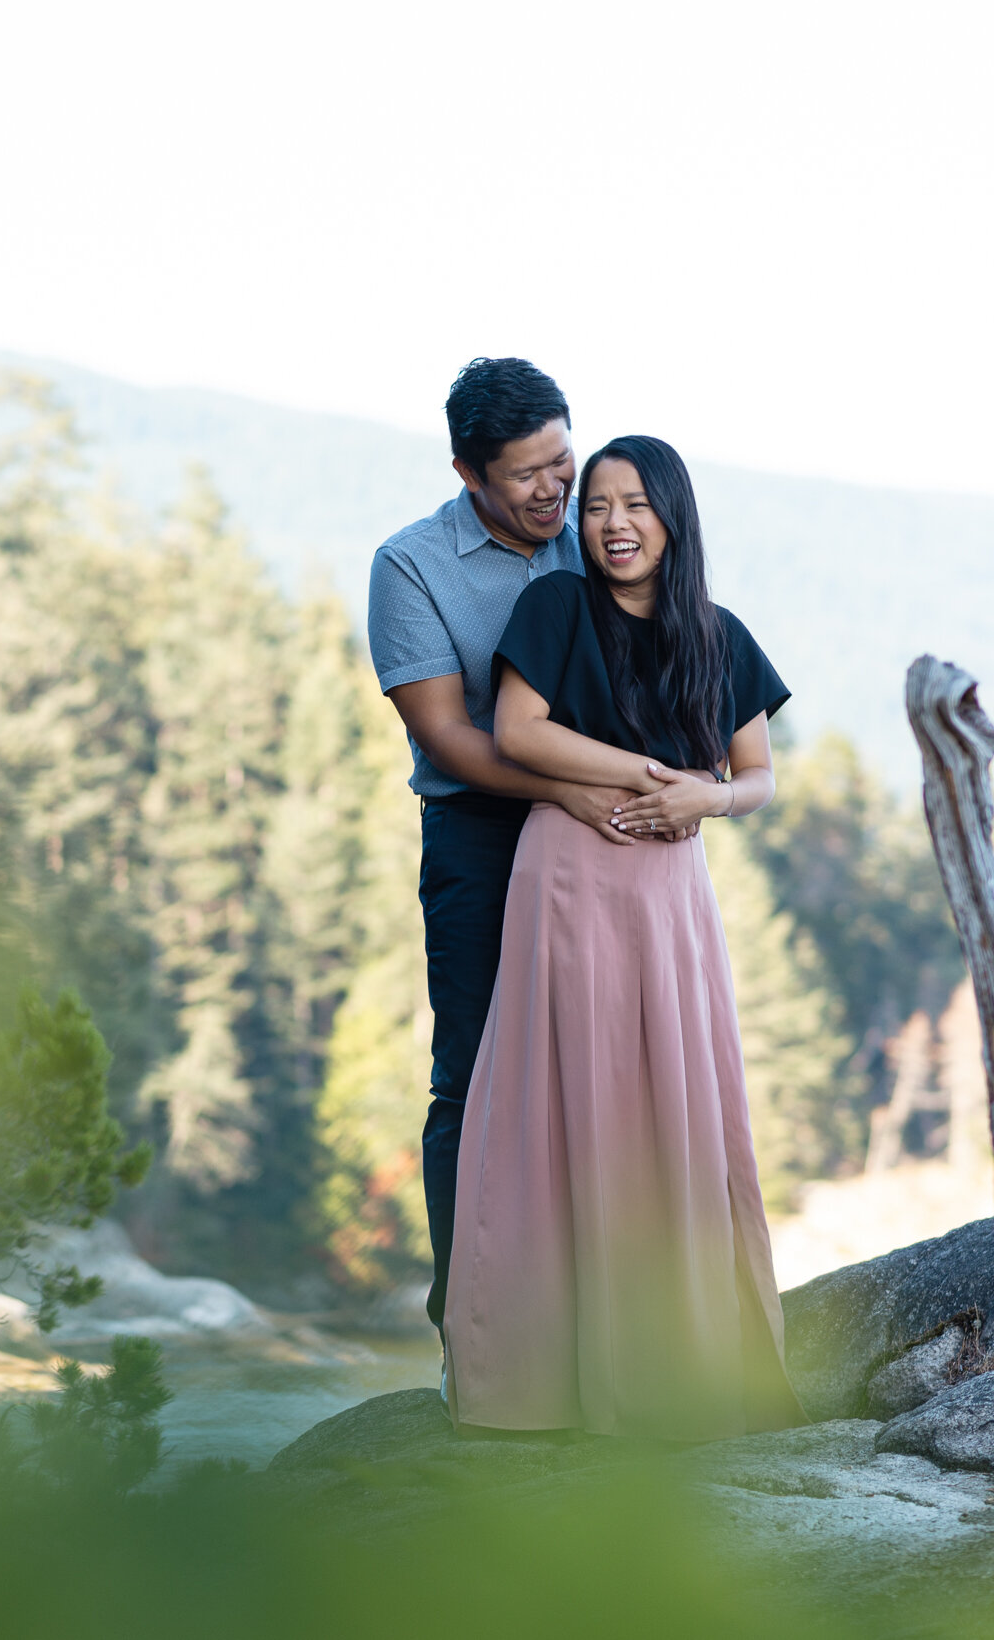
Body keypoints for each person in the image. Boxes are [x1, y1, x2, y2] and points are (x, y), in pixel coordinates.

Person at [443, 434, 804, 1438]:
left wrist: (710, 798)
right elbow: (518, 731)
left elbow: (760, 776)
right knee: (564, 1106)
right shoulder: (555, 608)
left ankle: (684, 1364)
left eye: (634, 504)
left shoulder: (718, 634)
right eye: (595, 504)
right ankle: (546, 1376)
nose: (611, 523)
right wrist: (649, 776)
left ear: (671, 517)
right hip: (567, 872)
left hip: (670, 891)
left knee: (681, 1105)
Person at [366, 359, 649, 1327]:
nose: (554, 490)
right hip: (480, 839)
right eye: (527, 473)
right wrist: (572, 788)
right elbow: (446, 736)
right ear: (466, 471)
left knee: (608, 1073)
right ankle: (473, 1322)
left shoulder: (598, 539)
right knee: (477, 1075)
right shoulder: (410, 566)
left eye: (563, 462)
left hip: (611, 840)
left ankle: (599, 1320)